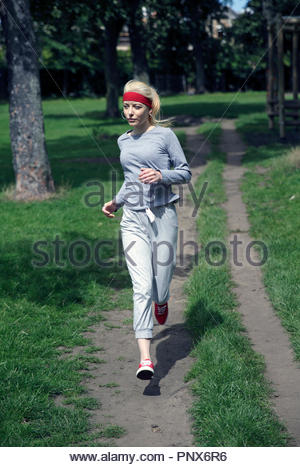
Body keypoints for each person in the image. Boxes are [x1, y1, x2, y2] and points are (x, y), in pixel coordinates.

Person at [102, 80, 192, 380]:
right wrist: (116, 202)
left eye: (136, 106)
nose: (130, 112)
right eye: (126, 106)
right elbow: (130, 180)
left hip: (164, 215)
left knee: (159, 284)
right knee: (140, 288)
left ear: (149, 108)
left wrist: (161, 174)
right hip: (133, 220)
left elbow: (185, 171)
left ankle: (162, 300)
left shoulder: (165, 136)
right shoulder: (123, 141)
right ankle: (145, 359)